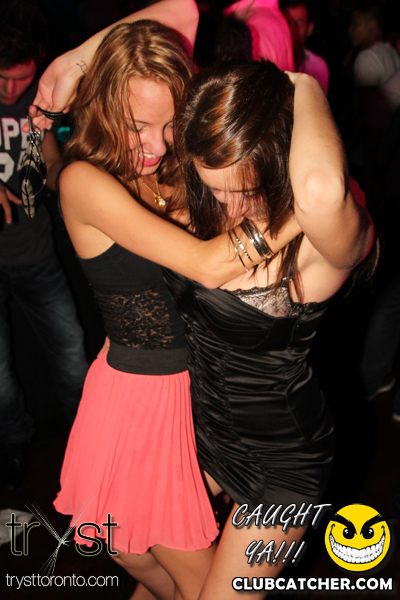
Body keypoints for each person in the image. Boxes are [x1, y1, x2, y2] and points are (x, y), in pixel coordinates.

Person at [47, 5, 301, 600]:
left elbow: (183, 11)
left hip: (196, 391)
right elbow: (208, 263)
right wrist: (303, 211)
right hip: (132, 397)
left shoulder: (176, 174)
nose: (157, 145)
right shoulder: (84, 182)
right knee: (134, 553)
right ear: (104, 104)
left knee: (187, 576)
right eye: (138, 125)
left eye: (169, 126)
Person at [164, 60, 373, 598]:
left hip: (282, 461)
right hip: (204, 434)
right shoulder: (207, 193)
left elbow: (321, 189)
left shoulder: (324, 238)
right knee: (140, 548)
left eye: (247, 190)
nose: (230, 206)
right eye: (215, 189)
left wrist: (301, 82)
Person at [0, 0, 89, 492]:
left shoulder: (40, 98)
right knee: (0, 379)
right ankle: (15, 444)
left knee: (73, 356)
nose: (12, 90)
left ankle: (88, 445)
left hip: (36, 255)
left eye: (23, 78)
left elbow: (50, 156)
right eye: (3, 79)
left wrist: (70, 180)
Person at [280, 0, 329, 94]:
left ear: (309, 28)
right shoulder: (270, 59)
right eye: (288, 22)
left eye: (298, 24)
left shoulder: (318, 66)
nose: (292, 29)